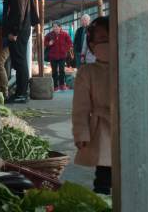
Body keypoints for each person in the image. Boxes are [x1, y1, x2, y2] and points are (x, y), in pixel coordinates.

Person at [72, 16, 111, 195]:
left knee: (129, 174)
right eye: (101, 40)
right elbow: (80, 108)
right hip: (102, 129)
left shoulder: (130, 65)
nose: (106, 43)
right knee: (104, 175)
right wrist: (81, 133)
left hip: (129, 128)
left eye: (110, 38)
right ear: (91, 45)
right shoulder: (86, 72)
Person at [0, 0, 38, 104]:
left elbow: (18, 10)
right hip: (21, 27)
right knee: (18, 60)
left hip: (19, 29)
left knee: (20, 61)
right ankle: (21, 92)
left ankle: (22, 93)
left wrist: (14, 31)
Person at [45, 22, 73, 91]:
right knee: (54, 71)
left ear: (60, 27)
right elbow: (45, 42)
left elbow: (70, 43)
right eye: (54, 27)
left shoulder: (65, 34)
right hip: (53, 56)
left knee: (61, 70)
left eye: (56, 27)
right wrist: (49, 43)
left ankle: (62, 85)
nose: (55, 28)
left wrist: (65, 49)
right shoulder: (49, 34)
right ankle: (55, 86)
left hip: (62, 56)